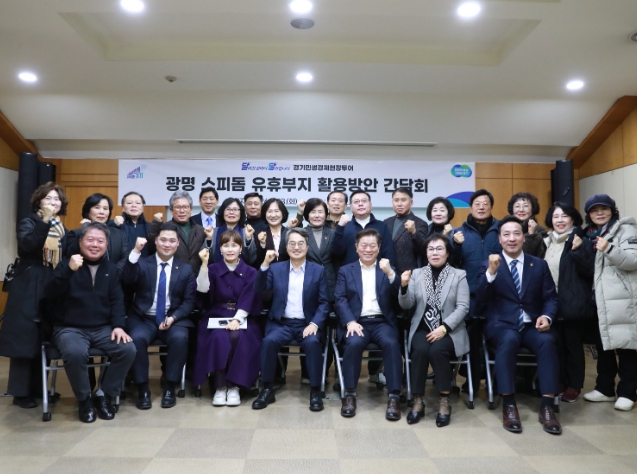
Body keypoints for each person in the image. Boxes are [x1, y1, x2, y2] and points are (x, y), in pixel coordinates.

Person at [476, 216, 561, 435]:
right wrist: (491, 273)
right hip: (501, 326)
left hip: (532, 325)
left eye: (516, 233)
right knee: (509, 339)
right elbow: (480, 300)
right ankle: (509, 404)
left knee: (548, 341)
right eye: (506, 234)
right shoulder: (488, 265)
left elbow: (551, 297)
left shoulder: (538, 264)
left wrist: (547, 317)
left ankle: (547, 406)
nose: (511, 239)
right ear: (499, 239)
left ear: (524, 237)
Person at [44, 222, 136, 423]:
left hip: (103, 328)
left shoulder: (111, 269)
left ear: (106, 245)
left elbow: (117, 301)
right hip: (70, 328)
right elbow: (49, 294)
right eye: (90, 240)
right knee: (75, 353)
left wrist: (118, 326)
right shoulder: (66, 264)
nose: (95, 245)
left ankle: (103, 394)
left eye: (100, 241)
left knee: (128, 349)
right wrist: (68, 271)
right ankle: (84, 399)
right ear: (80, 242)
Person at [0, 182, 69, 409]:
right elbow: (28, 246)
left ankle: (39, 388)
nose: (53, 202)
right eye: (48, 198)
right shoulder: (29, 222)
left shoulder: (61, 227)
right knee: (25, 338)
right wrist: (44, 221)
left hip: (50, 284)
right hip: (28, 285)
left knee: (44, 336)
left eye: (56, 199)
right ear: (39, 201)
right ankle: (20, 392)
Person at [252, 228, 330, 411]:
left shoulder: (318, 270)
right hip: (281, 324)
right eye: (292, 243)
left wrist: (314, 324)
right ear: (286, 247)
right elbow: (260, 290)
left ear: (307, 247)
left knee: (313, 343)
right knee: (269, 341)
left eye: (301, 243)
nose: (296, 247)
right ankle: (267, 388)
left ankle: (315, 390)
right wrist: (265, 264)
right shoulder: (276, 268)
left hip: (307, 324)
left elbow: (324, 302)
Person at [122, 224, 196, 410]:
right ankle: (142, 389)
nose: (167, 244)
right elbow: (126, 280)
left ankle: (170, 387)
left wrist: (173, 318)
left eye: (172, 241)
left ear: (177, 244)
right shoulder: (142, 263)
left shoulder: (185, 269)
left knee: (180, 338)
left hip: (173, 319)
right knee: (136, 339)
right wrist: (135, 252)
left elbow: (189, 301)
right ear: (155, 241)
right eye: (163, 240)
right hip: (144, 318)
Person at [399, 234, 470, 426]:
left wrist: (444, 328)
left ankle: (444, 401)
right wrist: (404, 287)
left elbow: (463, 307)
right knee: (420, 350)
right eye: (430, 249)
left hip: (449, 329)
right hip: (422, 327)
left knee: (438, 350)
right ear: (426, 253)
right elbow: (407, 305)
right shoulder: (417, 274)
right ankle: (417, 401)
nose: (435, 253)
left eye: (439, 249)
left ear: (447, 253)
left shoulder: (459, 275)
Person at [575, 194, 637, 411]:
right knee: (603, 346)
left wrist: (609, 249)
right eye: (594, 210)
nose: (599, 213)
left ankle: (628, 392)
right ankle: (605, 389)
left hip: (620, 299)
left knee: (625, 346)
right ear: (588, 214)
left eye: (604, 208)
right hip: (598, 300)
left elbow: (633, 260)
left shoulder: (625, 230)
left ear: (612, 210)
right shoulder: (587, 234)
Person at [334, 229, 403, 420]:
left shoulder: (387, 269)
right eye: (363, 245)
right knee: (353, 344)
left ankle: (394, 397)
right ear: (356, 248)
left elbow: (402, 296)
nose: (368, 249)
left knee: (391, 344)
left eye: (372, 245)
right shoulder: (346, 270)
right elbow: (340, 299)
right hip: (357, 322)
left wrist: (391, 274)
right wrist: (350, 321)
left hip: (382, 322)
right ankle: (349, 394)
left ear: (379, 248)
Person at [195, 230, 263, 406]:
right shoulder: (212, 269)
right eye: (226, 245)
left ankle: (234, 387)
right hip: (216, 315)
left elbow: (249, 298)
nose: (230, 249)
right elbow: (202, 289)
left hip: (243, 317)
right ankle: (220, 386)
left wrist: (237, 320)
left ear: (241, 248)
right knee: (218, 337)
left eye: (234, 245)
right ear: (220, 249)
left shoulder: (250, 271)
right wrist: (204, 264)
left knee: (237, 337)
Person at [543, 202, 596, 403]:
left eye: (564, 216)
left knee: (572, 346)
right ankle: (561, 381)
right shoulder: (547, 240)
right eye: (556, 216)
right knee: (556, 345)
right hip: (551, 302)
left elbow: (589, 270)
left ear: (573, 219)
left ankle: (574, 385)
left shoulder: (580, 239)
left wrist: (578, 250)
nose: (560, 220)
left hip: (572, 302)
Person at [454, 189, 501, 394]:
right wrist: (455, 246)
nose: (481, 207)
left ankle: (497, 381)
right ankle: (471, 380)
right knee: (472, 340)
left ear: (491, 207)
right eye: (477, 204)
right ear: (470, 208)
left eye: (485, 204)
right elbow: (453, 263)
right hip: (470, 294)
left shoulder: (502, 231)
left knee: (497, 338)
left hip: (497, 294)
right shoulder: (459, 233)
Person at [68, 193, 131, 272]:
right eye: (97, 207)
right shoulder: (75, 233)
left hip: (115, 276)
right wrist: (84, 231)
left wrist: (112, 273)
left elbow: (126, 258)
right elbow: (71, 256)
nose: (101, 212)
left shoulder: (119, 234)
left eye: (105, 208)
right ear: (88, 210)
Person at [147, 190, 206, 275]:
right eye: (178, 207)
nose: (182, 211)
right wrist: (155, 225)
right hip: (173, 276)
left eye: (185, 207)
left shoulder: (201, 230)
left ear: (191, 209)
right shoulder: (164, 229)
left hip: (196, 276)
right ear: (171, 210)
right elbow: (152, 248)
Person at [331, 191, 395, 266]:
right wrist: (339, 227)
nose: (360, 204)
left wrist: (389, 270)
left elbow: (389, 252)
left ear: (370, 205)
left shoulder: (382, 226)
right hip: (351, 272)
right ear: (351, 207)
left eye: (364, 201)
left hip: (377, 271)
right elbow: (336, 253)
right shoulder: (345, 227)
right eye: (356, 202)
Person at [384, 187, 428, 276]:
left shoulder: (420, 223)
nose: (399, 204)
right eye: (396, 200)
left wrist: (414, 232)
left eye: (403, 200)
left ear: (411, 202)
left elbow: (424, 250)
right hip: (388, 272)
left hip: (409, 274)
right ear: (392, 202)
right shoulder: (386, 222)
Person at [202, 197, 256, 266]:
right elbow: (204, 258)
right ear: (222, 212)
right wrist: (209, 239)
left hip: (241, 271)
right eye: (228, 209)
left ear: (241, 212)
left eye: (235, 209)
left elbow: (252, 259)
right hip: (217, 271)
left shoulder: (246, 231)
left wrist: (248, 239)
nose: (231, 212)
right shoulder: (214, 232)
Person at [255, 197, 298, 265]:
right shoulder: (258, 235)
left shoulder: (291, 233)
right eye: (269, 211)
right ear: (265, 214)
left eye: (276, 211)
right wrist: (262, 244)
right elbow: (258, 260)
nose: (273, 215)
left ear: (283, 213)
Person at [109, 191, 152, 258]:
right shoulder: (114, 224)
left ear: (143, 207)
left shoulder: (150, 227)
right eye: (129, 203)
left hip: (145, 264)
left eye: (138, 203)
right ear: (123, 208)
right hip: (121, 263)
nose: (134, 205)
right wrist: (113, 224)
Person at [508, 192, 548, 258]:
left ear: (533, 209)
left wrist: (532, 235)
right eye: (517, 206)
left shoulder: (541, 231)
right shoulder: (506, 229)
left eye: (525, 206)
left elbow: (532, 256)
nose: (521, 210)